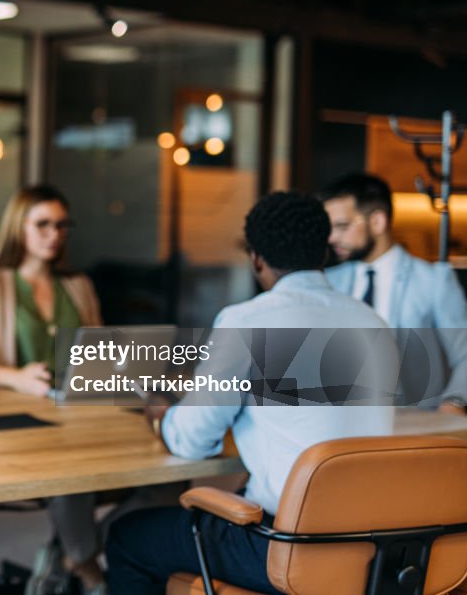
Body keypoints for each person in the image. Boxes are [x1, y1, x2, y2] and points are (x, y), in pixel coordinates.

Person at [105, 192, 395, 595]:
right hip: (373, 549)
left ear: (256, 258)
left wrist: (161, 413)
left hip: (287, 548)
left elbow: (191, 440)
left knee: (128, 536)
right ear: (324, 252)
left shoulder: (248, 321)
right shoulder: (375, 323)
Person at [0, 185, 106, 595]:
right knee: (71, 470)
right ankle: (87, 565)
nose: (54, 234)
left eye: (60, 225)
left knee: (167, 474)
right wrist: (15, 376)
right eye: (42, 224)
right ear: (19, 228)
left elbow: (101, 355)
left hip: (81, 414)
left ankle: (74, 551)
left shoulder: (79, 286)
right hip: (22, 424)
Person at [320, 173, 467, 414]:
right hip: (342, 429)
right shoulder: (327, 282)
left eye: (342, 226)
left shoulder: (434, 281)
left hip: (413, 431)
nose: (332, 237)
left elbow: (465, 356)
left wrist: (454, 402)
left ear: (377, 221)